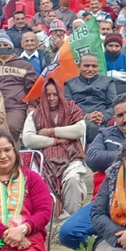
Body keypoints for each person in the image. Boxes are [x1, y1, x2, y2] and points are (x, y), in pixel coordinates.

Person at [59, 94, 126, 250]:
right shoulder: (105, 134)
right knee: (68, 233)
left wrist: (115, 157)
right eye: (120, 115)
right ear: (114, 118)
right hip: (108, 199)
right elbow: (92, 159)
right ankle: (104, 246)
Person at [21, 78, 87, 217]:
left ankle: (70, 220)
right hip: (43, 162)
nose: (51, 98)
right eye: (47, 95)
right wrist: (57, 141)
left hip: (72, 157)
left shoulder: (72, 109)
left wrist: (50, 131)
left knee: (73, 180)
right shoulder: (35, 114)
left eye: (55, 94)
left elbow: (79, 130)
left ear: (60, 94)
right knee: (39, 183)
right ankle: (48, 220)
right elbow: (28, 139)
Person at [0, 32, 38, 139]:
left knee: (11, 128)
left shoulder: (24, 65)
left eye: (5, 45)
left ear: (11, 46)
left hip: (14, 106)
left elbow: (33, 88)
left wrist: (32, 105)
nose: (2, 47)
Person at [64, 54, 117, 143]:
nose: (90, 69)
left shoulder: (108, 81)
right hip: (78, 122)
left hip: (102, 122)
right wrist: (85, 116)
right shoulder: (70, 84)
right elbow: (67, 107)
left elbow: (113, 105)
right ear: (79, 67)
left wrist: (102, 117)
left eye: (94, 66)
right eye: (86, 66)